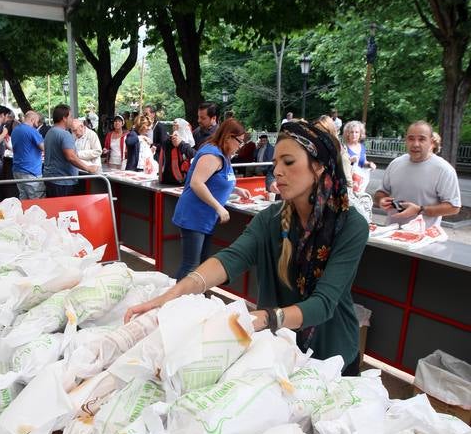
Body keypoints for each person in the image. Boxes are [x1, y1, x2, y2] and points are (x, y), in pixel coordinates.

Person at [126, 120, 369, 373]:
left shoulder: (350, 225)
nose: (278, 172)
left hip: (332, 358)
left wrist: (260, 319)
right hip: (279, 352)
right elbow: (230, 258)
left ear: (318, 166)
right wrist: (174, 294)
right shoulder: (271, 219)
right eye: (275, 164)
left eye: (288, 162)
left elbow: (324, 303)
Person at [170, 118, 252, 279]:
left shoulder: (222, 153)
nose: (240, 146)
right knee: (191, 266)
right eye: (239, 141)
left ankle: (196, 299)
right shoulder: (213, 154)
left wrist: (236, 189)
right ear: (229, 137)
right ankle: (172, 300)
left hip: (205, 218)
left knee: (200, 266)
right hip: (194, 216)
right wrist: (218, 207)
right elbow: (197, 183)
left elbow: (215, 179)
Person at [374, 120, 461, 228]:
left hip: (423, 238)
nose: (415, 144)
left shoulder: (444, 169)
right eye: (411, 139)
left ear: (431, 141)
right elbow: (381, 192)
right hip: (391, 232)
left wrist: (420, 210)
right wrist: (381, 200)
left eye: (421, 139)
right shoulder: (395, 163)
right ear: (406, 140)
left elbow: (454, 207)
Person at [43, 104, 97, 197]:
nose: (72, 119)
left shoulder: (50, 132)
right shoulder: (64, 134)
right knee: (63, 210)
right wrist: (88, 168)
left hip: (51, 180)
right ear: (64, 118)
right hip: (62, 182)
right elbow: (71, 157)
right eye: (70, 116)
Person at [11, 110, 45, 199]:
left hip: (17, 170)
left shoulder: (15, 130)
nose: (37, 124)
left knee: (23, 198)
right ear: (32, 119)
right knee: (37, 199)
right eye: (37, 121)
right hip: (31, 171)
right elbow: (44, 148)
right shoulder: (32, 131)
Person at [158, 118, 195, 186]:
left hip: (167, 179)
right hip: (178, 180)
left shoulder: (168, 141)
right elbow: (195, 156)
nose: (174, 127)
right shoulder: (170, 142)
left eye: (176, 125)